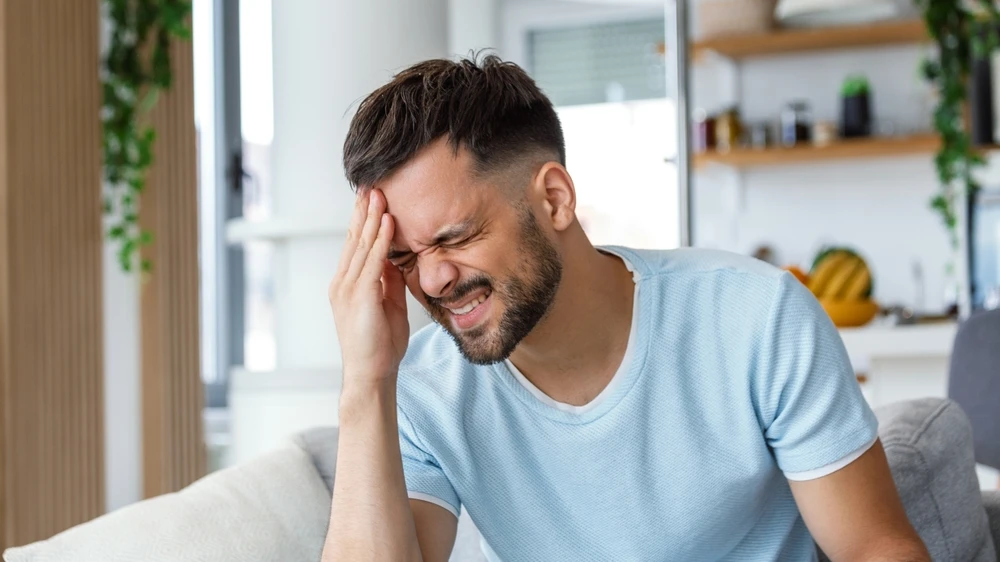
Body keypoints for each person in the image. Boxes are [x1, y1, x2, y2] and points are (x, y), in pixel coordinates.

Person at [322, 54, 929, 561]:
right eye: (403, 257)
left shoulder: (756, 319)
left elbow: (876, 548)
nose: (432, 279)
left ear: (555, 199)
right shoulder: (421, 391)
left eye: (455, 237)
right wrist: (364, 382)